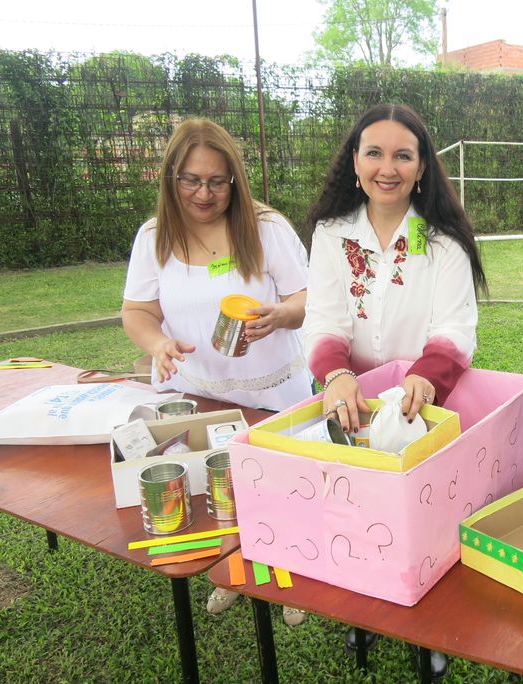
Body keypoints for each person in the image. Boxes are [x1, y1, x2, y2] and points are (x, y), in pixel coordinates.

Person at [303, 102, 486, 679]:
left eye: (403, 155)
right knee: (356, 514)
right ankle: (363, 613)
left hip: (422, 404)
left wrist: (425, 376)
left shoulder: (442, 241)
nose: (389, 168)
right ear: (354, 162)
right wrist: (336, 375)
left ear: (422, 166)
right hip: (352, 406)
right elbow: (323, 319)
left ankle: (428, 631)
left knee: (424, 522)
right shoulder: (332, 234)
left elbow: (455, 326)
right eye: (375, 153)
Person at [121, 117, 312, 625]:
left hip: (271, 393)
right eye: (191, 180)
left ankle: (285, 574)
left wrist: (281, 315)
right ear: (172, 178)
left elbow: (308, 297)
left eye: (216, 181)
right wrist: (158, 342)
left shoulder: (267, 227)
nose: (204, 194)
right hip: (195, 395)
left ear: (234, 180)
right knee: (216, 489)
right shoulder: (154, 236)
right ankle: (229, 571)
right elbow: (136, 311)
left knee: (278, 489)